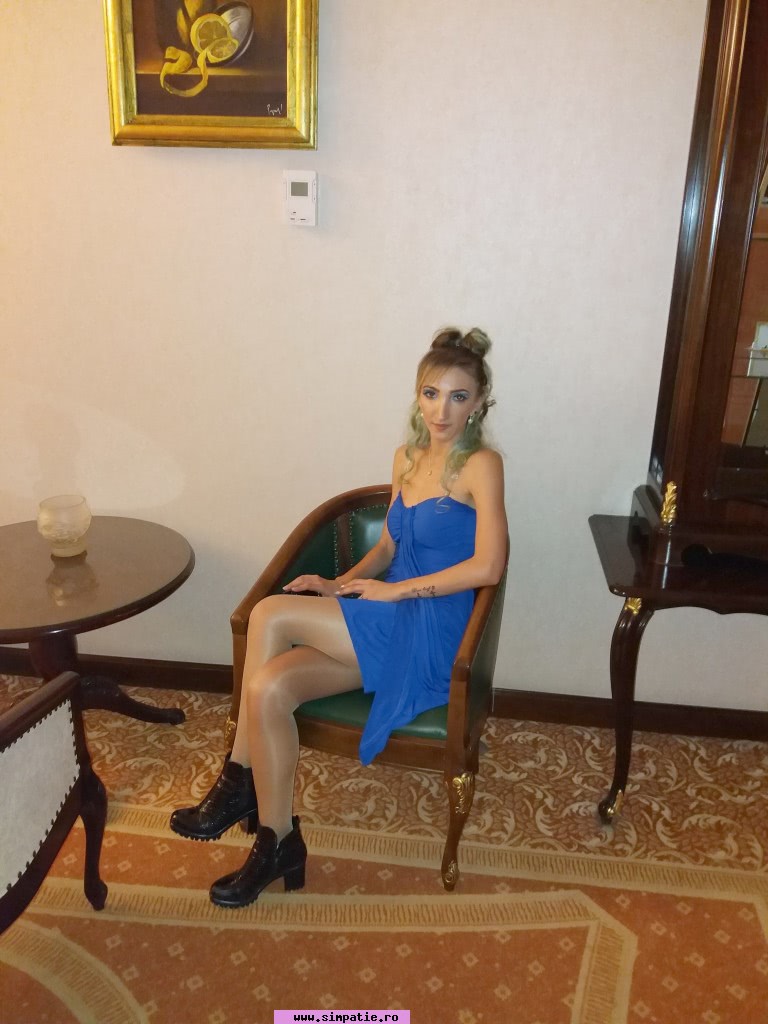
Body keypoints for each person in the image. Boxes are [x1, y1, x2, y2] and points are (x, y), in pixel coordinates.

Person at [170, 327, 508, 908]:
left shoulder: (482, 464)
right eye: (431, 394)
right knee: (268, 688)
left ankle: (235, 779)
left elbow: (489, 566)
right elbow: (388, 548)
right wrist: (338, 584)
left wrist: (396, 594)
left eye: (458, 396)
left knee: (270, 614)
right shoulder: (406, 458)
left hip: (431, 624)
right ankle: (278, 840)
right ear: (418, 396)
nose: (442, 411)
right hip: (386, 610)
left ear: (478, 403)